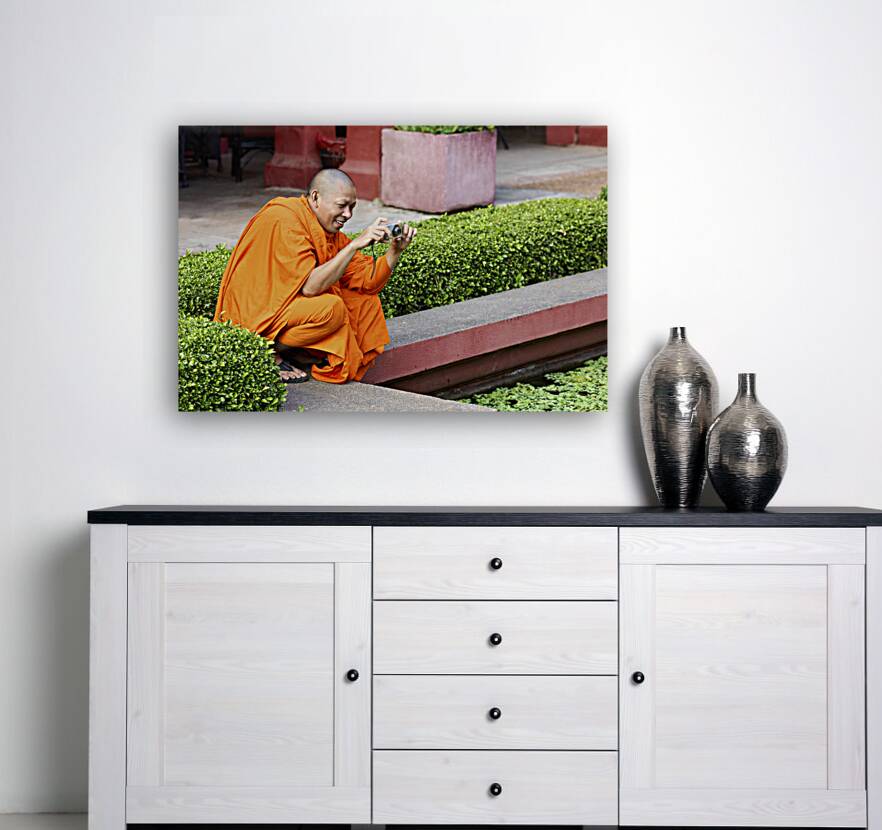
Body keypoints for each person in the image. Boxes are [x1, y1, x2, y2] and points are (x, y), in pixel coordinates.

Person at [213, 168, 416, 383]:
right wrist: (355, 245)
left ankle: (297, 349)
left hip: (286, 305)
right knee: (331, 308)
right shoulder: (284, 218)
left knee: (365, 302)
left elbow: (366, 281)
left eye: (352, 207)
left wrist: (394, 251)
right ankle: (264, 348)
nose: (348, 214)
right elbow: (310, 287)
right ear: (316, 198)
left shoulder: (328, 233)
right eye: (341, 206)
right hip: (256, 313)